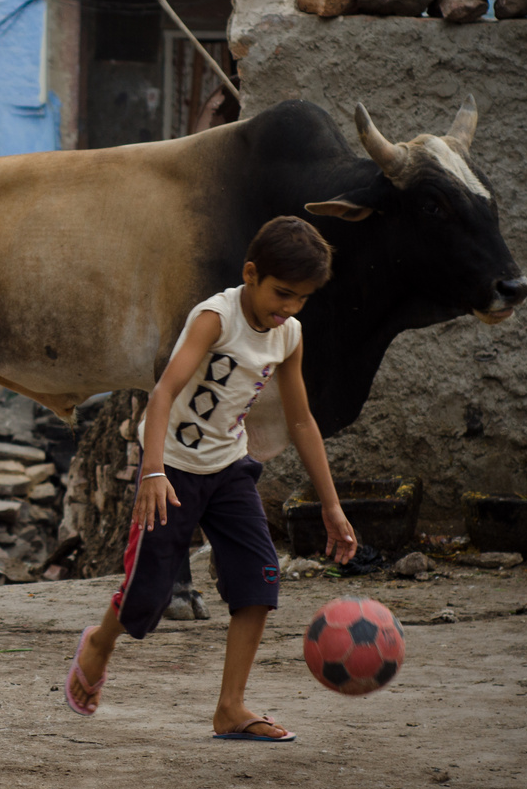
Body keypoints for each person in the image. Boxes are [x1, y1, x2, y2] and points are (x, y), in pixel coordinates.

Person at [64, 217, 357, 741]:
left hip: (230, 471)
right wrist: (153, 469)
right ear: (250, 274)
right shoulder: (214, 319)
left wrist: (332, 507)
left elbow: (301, 421)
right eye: (281, 293)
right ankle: (101, 641)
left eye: (303, 298)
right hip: (172, 470)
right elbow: (162, 394)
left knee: (259, 579)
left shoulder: (288, 334)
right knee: (144, 601)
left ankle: (231, 708)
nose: (289, 307)